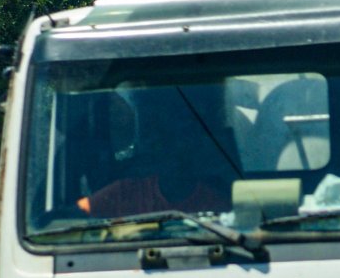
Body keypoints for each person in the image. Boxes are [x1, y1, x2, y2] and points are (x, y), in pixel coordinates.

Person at [76, 91, 232, 217]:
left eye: (183, 137)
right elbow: (70, 220)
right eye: (167, 139)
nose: (175, 149)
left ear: (196, 145)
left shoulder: (216, 202)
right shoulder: (124, 193)